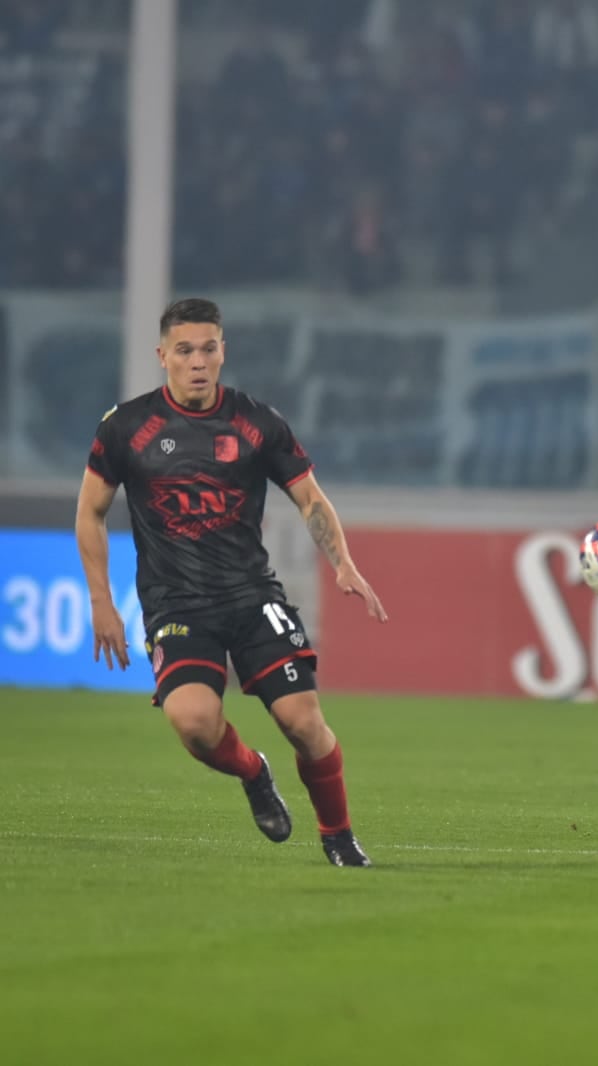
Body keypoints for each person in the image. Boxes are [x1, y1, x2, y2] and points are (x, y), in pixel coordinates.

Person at [76, 298, 388, 866]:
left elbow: (310, 498)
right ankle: (253, 771)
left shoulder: (256, 423)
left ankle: (339, 836)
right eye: (185, 350)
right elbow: (90, 512)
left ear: (224, 351)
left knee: (304, 721)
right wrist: (102, 602)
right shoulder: (126, 428)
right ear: (162, 355)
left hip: (251, 596)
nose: (198, 361)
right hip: (177, 603)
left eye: (209, 348)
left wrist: (343, 562)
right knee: (194, 724)